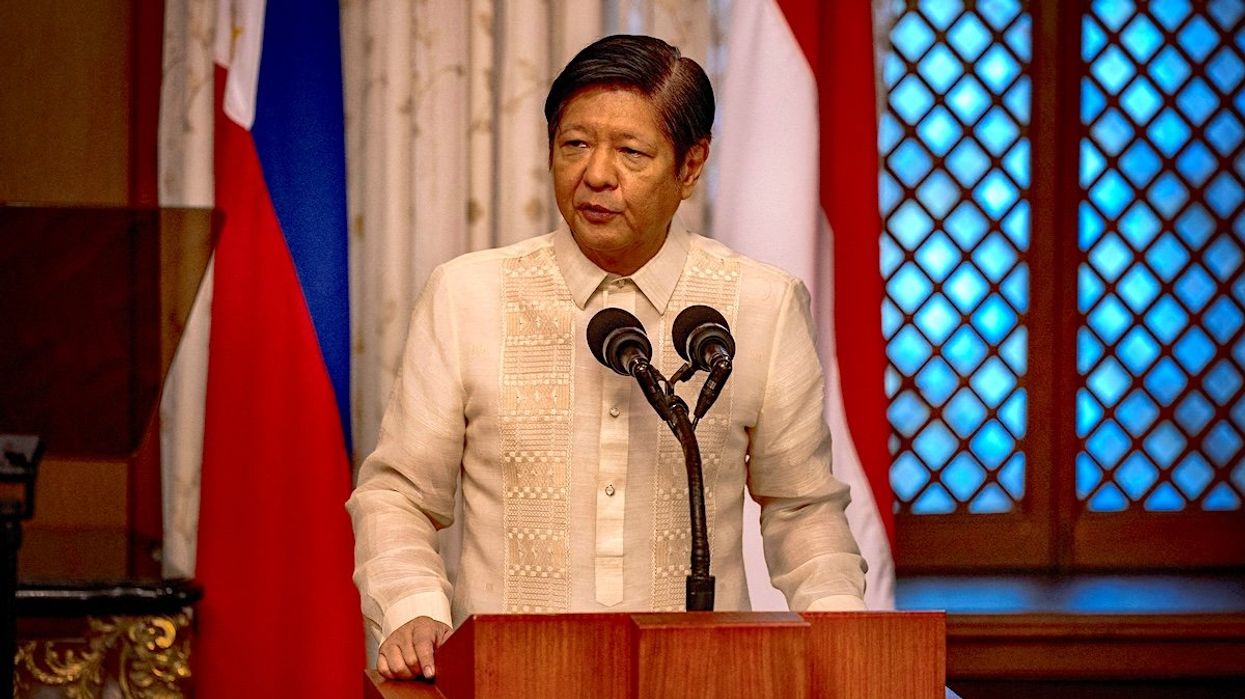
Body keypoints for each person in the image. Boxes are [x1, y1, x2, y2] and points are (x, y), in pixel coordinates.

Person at [347, 34, 867, 682]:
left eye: (630, 151)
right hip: (510, 679)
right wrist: (412, 607)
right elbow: (399, 493)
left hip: (701, 680)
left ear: (691, 165)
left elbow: (801, 506)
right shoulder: (467, 295)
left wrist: (845, 631)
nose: (595, 174)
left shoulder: (760, 304)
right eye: (574, 144)